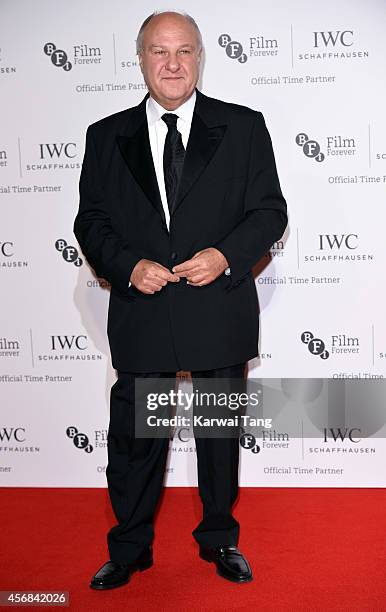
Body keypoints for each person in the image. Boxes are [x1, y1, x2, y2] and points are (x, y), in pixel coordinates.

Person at [74, 10, 287, 589]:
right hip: (144, 310)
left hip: (218, 304)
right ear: (140, 58)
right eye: (159, 51)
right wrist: (126, 266)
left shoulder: (243, 126)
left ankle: (220, 539)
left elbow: (270, 210)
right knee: (137, 441)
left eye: (184, 51)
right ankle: (130, 549)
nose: (172, 63)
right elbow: (90, 222)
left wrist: (225, 255)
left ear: (199, 57)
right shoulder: (104, 135)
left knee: (219, 438)